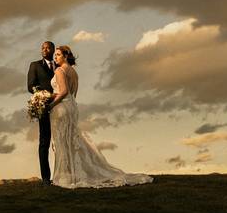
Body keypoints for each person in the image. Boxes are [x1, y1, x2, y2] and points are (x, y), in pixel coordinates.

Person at [49, 45, 153, 189]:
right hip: (72, 107)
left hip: (61, 108)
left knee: (62, 141)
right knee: (71, 139)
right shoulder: (74, 72)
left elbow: (64, 91)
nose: (55, 57)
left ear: (66, 56)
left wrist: (50, 103)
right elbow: (73, 94)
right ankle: (72, 173)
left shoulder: (60, 70)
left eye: (58, 54)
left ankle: (65, 176)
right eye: (55, 55)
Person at [26, 41, 56, 185]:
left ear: (53, 50)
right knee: (44, 142)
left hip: (60, 107)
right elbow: (30, 86)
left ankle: (62, 174)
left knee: (61, 140)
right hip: (44, 108)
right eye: (42, 48)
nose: (44, 49)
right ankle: (45, 178)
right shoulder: (35, 65)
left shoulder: (60, 66)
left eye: (47, 47)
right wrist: (41, 95)